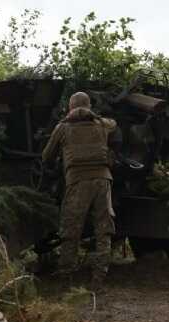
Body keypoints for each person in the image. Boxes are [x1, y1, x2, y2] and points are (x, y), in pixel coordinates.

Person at [42, 91, 117, 286]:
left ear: (70, 107)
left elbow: (46, 156)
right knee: (104, 230)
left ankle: (66, 277)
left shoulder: (63, 127)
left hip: (77, 182)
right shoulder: (102, 124)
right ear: (89, 106)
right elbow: (114, 123)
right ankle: (98, 279)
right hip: (103, 181)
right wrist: (94, 116)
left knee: (71, 229)